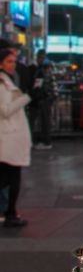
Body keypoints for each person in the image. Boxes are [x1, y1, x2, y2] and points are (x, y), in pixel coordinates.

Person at [0, 48, 32, 227]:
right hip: (8, 136)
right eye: (9, 61)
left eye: (13, 61)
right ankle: (10, 213)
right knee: (11, 179)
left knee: (9, 178)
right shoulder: (2, 84)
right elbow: (4, 110)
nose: (13, 65)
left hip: (10, 137)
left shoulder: (7, 81)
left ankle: (11, 212)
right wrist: (26, 98)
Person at [29, 52, 56, 150]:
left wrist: (33, 95)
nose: (39, 59)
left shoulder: (41, 70)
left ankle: (45, 142)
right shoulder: (49, 68)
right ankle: (46, 141)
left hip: (43, 98)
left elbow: (38, 85)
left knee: (43, 120)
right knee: (45, 120)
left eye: (40, 57)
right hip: (48, 97)